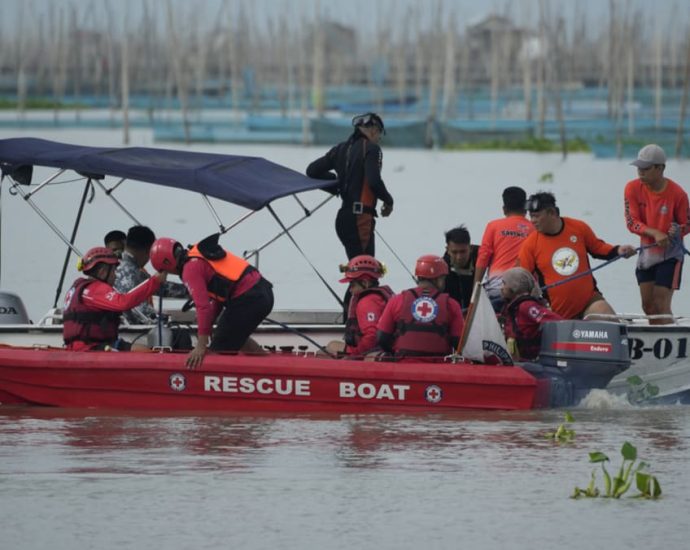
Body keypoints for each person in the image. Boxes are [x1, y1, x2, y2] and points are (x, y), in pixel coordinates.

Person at [150, 234, 274, 368]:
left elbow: (203, 308)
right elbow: (219, 294)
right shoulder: (199, 255)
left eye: (162, 270)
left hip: (249, 298)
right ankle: (270, 366)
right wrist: (208, 324)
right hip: (263, 292)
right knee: (235, 336)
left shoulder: (189, 270)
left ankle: (266, 372)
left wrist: (200, 347)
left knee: (218, 350)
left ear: (167, 263)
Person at [518, 192, 636, 320]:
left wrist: (618, 250)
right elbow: (522, 279)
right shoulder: (530, 244)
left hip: (589, 301)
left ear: (552, 213)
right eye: (531, 216)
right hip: (555, 313)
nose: (532, 221)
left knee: (605, 314)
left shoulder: (578, 227)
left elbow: (598, 248)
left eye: (536, 216)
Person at [306, 112, 394, 259]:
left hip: (343, 219)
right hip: (360, 220)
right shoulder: (372, 149)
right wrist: (389, 200)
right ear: (373, 129)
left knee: (359, 273)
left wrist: (336, 185)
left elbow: (312, 171)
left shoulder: (339, 149)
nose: (379, 139)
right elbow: (374, 181)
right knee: (366, 275)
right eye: (380, 133)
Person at [625, 144, 690, 325]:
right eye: (639, 168)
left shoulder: (678, 194)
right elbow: (631, 222)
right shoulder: (632, 188)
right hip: (646, 255)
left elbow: (686, 224)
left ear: (660, 168)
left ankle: (669, 343)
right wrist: (655, 233)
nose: (640, 173)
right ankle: (657, 344)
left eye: (646, 169)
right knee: (648, 307)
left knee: (660, 304)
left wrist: (676, 231)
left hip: (670, 255)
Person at [63, 246, 165, 351]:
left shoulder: (81, 288)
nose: (115, 276)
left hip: (100, 344)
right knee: (144, 353)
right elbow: (123, 302)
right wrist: (155, 281)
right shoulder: (94, 289)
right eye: (114, 271)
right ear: (103, 272)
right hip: (89, 348)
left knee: (146, 351)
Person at [376, 254, 464, 357]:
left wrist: (393, 353)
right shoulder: (451, 304)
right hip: (439, 367)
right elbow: (459, 342)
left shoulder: (397, 300)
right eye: (443, 278)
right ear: (437, 279)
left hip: (404, 364)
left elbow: (382, 338)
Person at [473, 186, 534, 311]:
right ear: (525, 209)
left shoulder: (493, 226)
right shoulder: (535, 229)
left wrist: (476, 287)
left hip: (498, 289)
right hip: (526, 291)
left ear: (504, 209)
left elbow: (484, 256)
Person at [114, 225, 188, 325]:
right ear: (147, 251)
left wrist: (191, 290)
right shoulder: (129, 273)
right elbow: (143, 313)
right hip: (130, 333)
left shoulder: (123, 267)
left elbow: (162, 287)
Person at [326, 255, 393, 357]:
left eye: (352, 284)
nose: (350, 290)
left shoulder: (367, 302)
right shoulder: (378, 298)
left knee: (331, 347)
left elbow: (372, 336)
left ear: (365, 283)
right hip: (383, 350)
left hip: (369, 352)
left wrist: (354, 354)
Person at [500, 267, 563, 361]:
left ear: (515, 286)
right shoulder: (510, 307)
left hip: (528, 362)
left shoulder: (527, 306)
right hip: (516, 360)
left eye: (504, 284)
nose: (501, 288)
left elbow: (558, 321)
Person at [443, 225, 479, 310]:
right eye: (454, 252)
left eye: (463, 251)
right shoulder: (442, 268)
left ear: (470, 248)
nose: (459, 257)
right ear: (447, 249)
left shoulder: (483, 257)